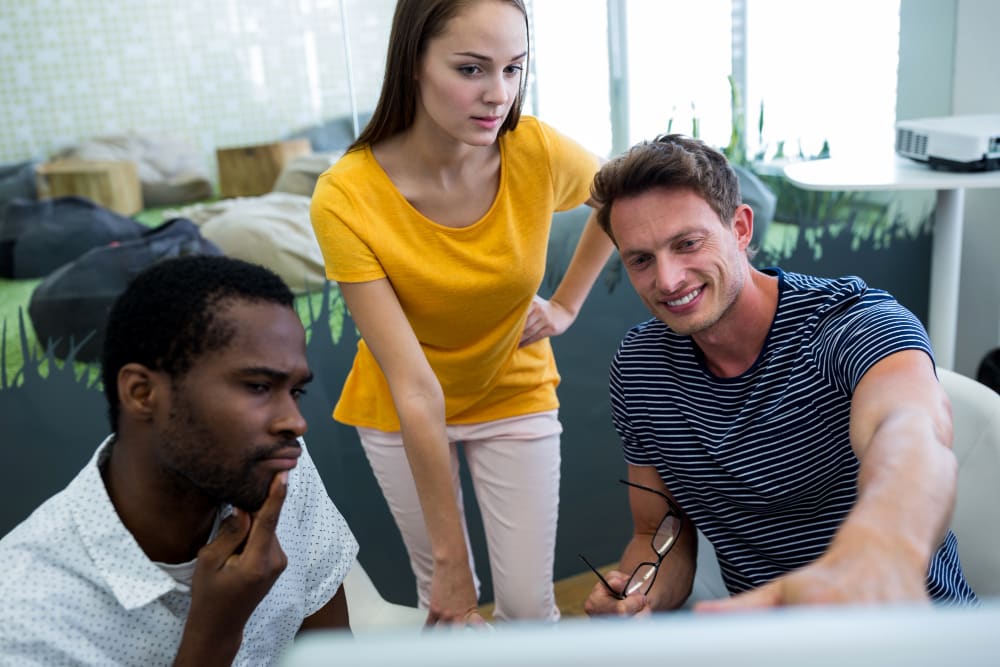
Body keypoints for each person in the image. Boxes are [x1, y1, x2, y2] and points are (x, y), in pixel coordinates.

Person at [582, 134, 978, 617]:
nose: (667, 280)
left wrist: (885, 545)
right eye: (641, 260)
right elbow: (660, 531)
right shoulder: (640, 367)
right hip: (767, 635)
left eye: (687, 243)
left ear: (741, 228)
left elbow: (914, 430)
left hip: (909, 628)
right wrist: (638, 595)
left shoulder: (850, 323)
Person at [310, 0, 615, 624]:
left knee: (529, 609)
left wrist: (565, 304)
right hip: (404, 407)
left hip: (513, 387)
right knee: (444, 600)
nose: (497, 94)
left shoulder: (535, 150)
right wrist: (451, 566)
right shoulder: (346, 197)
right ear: (414, 62)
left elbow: (620, 196)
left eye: (514, 68)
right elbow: (415, 387)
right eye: (472, 69)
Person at [0, 255, 359, 665]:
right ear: (141, 393)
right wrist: (215, 635)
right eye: (258, 386)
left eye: (296, 392)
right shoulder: (22, 617)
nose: (294, 422)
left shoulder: (276, 466)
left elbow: (334, 653)